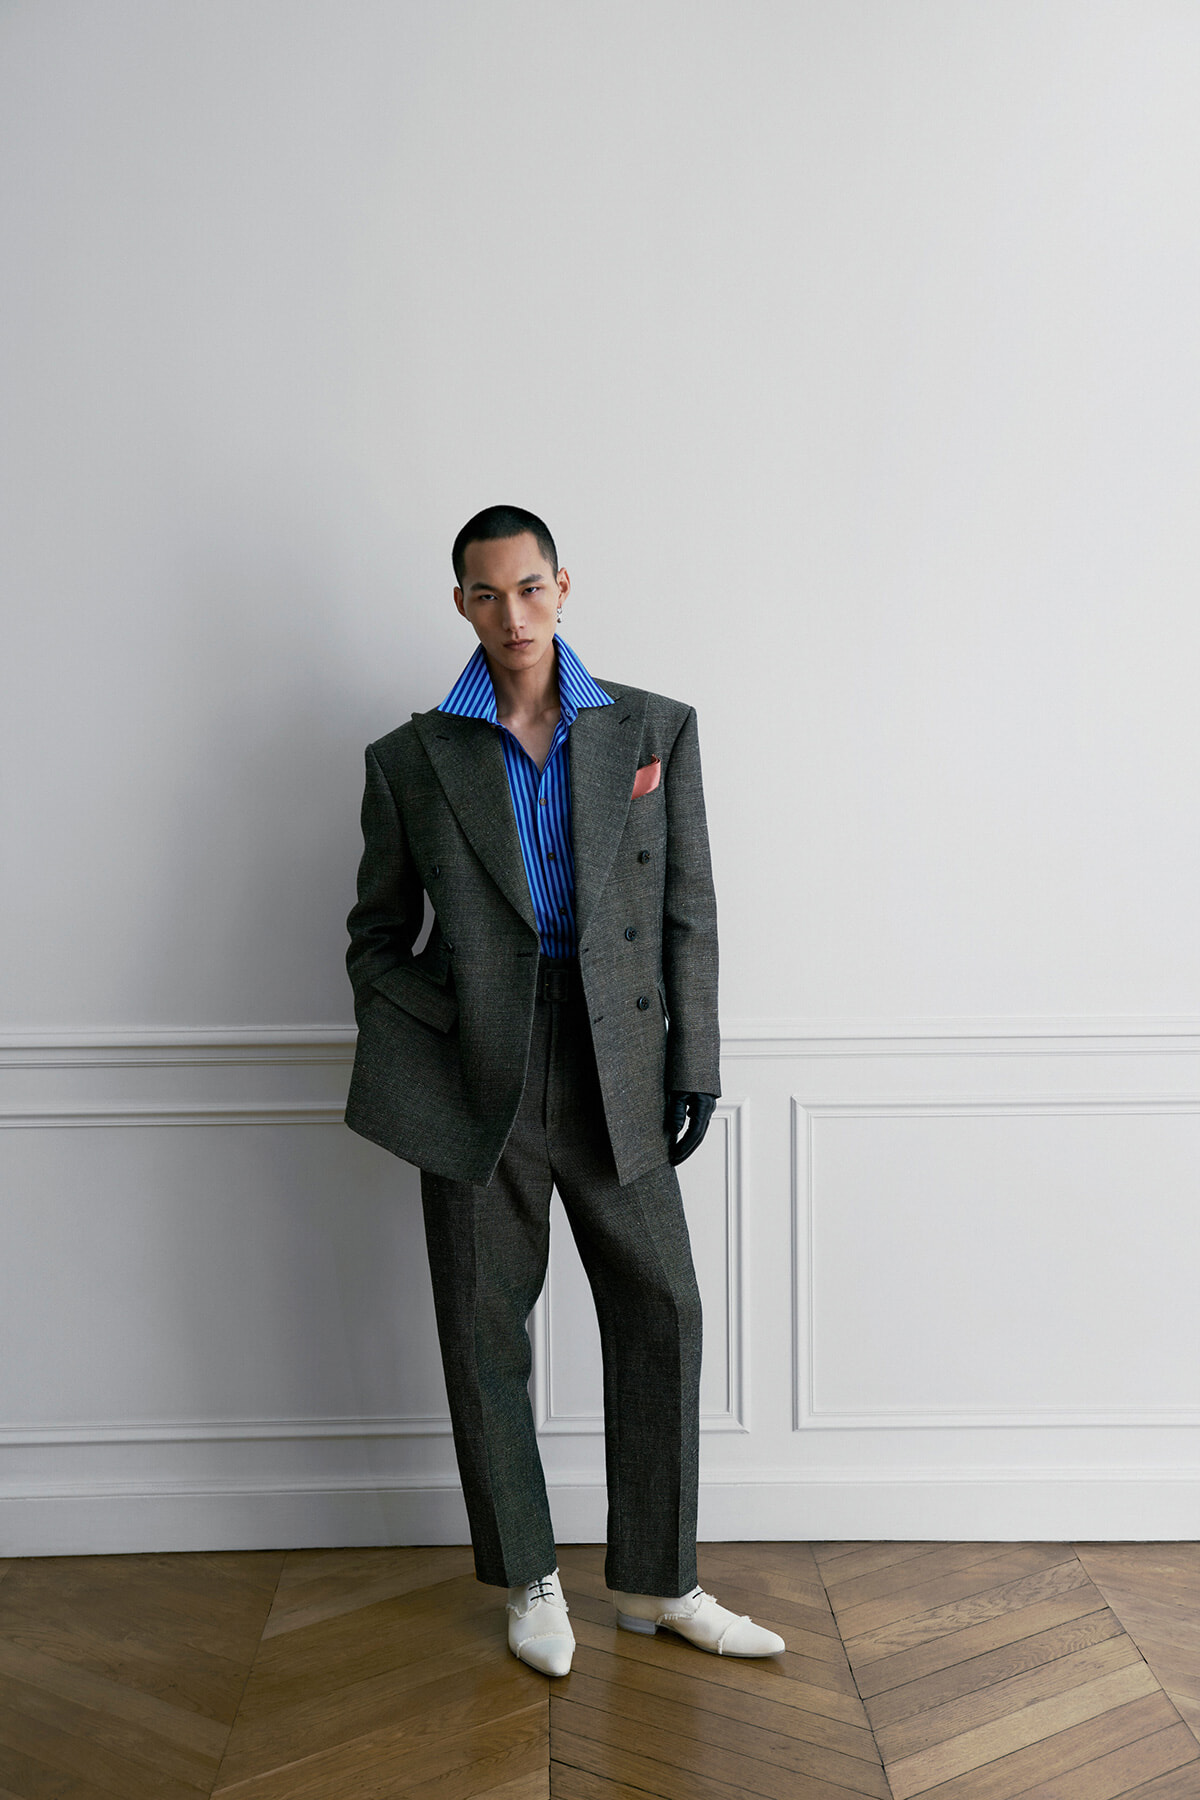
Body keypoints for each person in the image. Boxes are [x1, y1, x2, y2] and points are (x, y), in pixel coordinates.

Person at [344, 504, 784, 1676]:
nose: (513, 614)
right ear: (460, 605)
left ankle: (657, 1581)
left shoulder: (653, 729)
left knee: (664, 1310)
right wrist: (447, 1020)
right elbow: (377, 938)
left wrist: (695, 1061)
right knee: (485, 1330)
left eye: (530, 588)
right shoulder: (411, 758)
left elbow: (689, 909)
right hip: (477, 1077)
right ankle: (531, 1577)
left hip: (619, 1063)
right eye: (487, 594)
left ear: (564, 586)